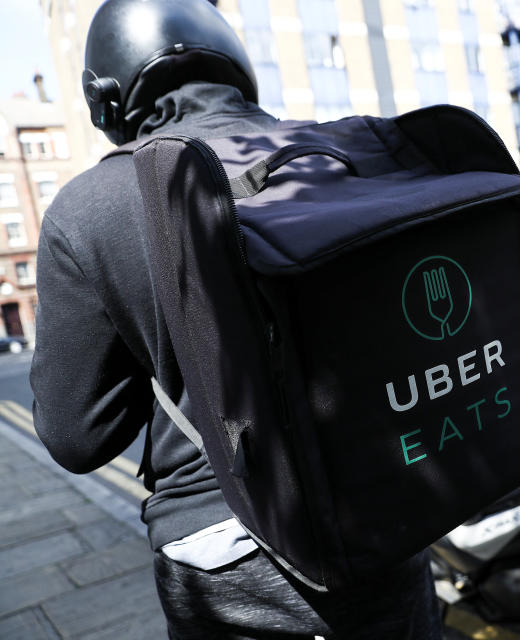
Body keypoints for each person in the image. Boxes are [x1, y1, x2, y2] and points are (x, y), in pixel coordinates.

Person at [29, 1, 443, 638]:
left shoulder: (87, 208)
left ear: (107, 99)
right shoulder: (331, 151)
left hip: (228, 553)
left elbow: (77, 437)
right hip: (383, 500)